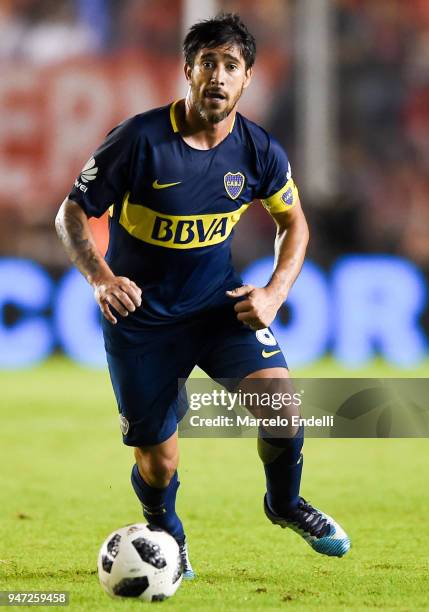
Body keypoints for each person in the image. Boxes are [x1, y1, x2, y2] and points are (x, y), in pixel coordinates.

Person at [55, 13, 350, 581]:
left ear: (247, 80)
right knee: (159, 463)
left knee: (282, 408)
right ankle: (168, 535)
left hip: (219, 307)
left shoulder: (259, 151)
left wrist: (273, 292)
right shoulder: (139, 140)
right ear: (187, 72)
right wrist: (100, 279)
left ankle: (285, 504)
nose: (218, 76)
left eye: (230, 66)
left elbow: (296, 224)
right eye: (207, 63)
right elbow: (71, 213)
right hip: (140, 320)